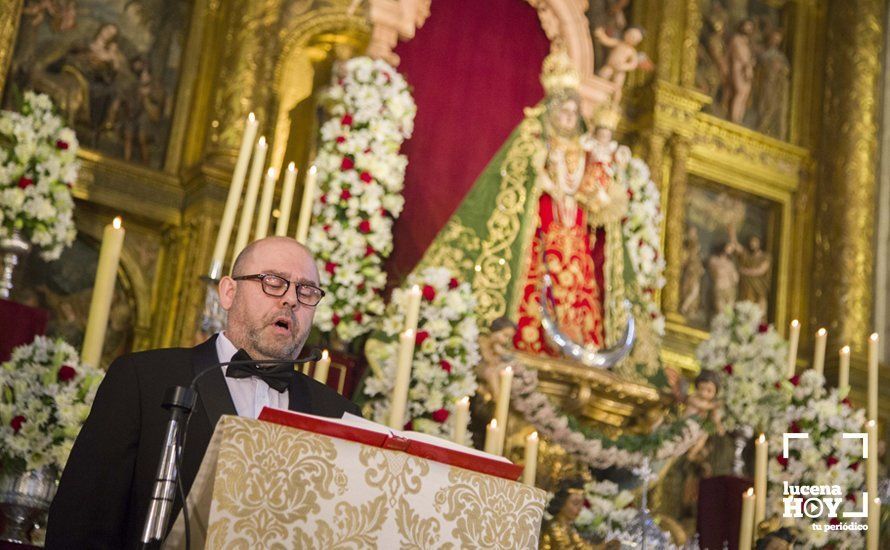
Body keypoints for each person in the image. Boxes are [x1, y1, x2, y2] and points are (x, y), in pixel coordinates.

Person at [46, 236, 360, 549]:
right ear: (228, 292)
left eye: (306, 291)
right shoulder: (144, 378)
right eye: (273, 282)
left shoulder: (338, 415)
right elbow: (81, 522)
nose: (291, 299)